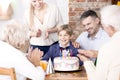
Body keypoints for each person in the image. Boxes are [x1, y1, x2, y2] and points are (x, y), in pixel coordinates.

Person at [78, 5, 120, 80]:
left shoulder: (107, 47)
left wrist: (88, 60)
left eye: (104, 26)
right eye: (84, 25)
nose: (86, 27)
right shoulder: (82, 36)